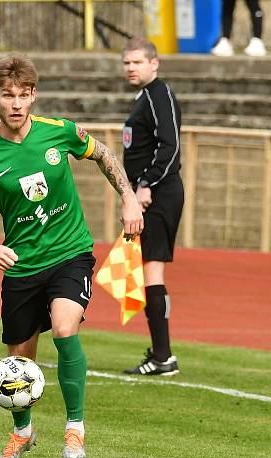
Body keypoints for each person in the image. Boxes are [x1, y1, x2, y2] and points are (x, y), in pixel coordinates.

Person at [0, 54, 144, 458]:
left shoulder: (58, 132)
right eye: (7, 96)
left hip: (70, 253)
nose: (15, 104)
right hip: (22, 266)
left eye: (23, 96)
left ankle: (75, 430)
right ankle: (23, 432)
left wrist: (129, 195)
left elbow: (102, 154)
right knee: (18, 360)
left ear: (33, 97)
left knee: (65, 329)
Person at [120, 37, 184, 377]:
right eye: (127, 62)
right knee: (145, 270)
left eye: (138, 62)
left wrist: (145, 184)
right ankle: (160, 353)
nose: (131, 67)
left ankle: (163, 356)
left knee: (152, 271)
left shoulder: (160, 95)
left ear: (154, 63)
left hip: (159, 194)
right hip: (145, 193)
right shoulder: (143, 98)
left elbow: (170, 147)